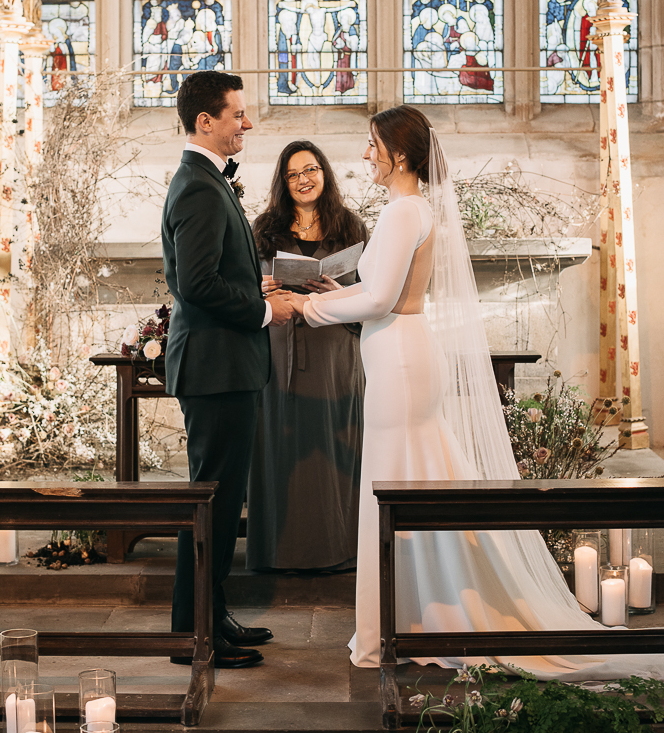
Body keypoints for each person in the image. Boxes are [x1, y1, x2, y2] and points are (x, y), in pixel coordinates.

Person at [287, 105, 664, 681]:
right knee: (413, 480)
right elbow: (381, 292)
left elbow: (381, 300)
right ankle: (413, 615)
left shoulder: (400, 213)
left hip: (400, 359)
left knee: (394, 487)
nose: (367, 155)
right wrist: (337, 290)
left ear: (400, 155)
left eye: (372, 145)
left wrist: (304, 306)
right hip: (403, 353)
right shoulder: (414, 210)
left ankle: (407, 621)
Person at [161, 70, 295, 669]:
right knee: (211, 504)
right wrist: (266, 308)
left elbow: (214, 276)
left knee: (218, 499)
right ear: (204, 122)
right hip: (216, 370)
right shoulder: (196, 186)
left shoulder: (207, 181)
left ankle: (209, 617)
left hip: (226, 368)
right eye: (237, 114)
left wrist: (254, 283)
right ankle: (195, 634)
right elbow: (196, 286)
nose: (247, 123)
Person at [248, 141, 368, 572]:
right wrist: (257, 288)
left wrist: (340, 292)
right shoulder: (263, 228)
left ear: (324, 173)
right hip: (281, 348)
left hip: (335, 350)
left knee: (335, 451)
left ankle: (339, 550)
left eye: (311, 169)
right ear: (284, 181)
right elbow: (245, 284)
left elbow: (372, 292)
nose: (304, 179)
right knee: (282, 446)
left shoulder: (351, 227)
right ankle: (279, 554)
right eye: (294, 173)